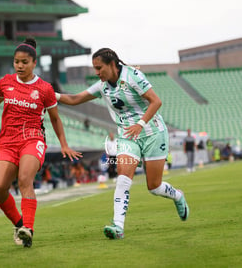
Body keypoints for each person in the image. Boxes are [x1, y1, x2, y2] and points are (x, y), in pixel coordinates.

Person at [55, 48, 189, 239]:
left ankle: (177, 195)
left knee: (154, 186)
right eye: (94, 68)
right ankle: (118, 227)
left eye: (99, 68)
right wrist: (52, 95)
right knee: (123, 178)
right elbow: (75, 99)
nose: (96, 72)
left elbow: (156, 101)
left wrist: (140, 124)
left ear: (111, 64)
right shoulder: (102, 86)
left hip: (153, 133)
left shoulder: (133, 76)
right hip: (127, 137)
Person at [0, 37, 82, 247]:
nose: (19, 65)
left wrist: (63, 144)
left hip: (32, 139)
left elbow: (55, 118)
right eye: (16, 61)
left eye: (24, 62)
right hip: (7, 141)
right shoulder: (6, 82)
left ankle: (28, 227)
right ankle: (19, 224)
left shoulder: (44, 89)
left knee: (25, 179)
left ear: (34, 63)